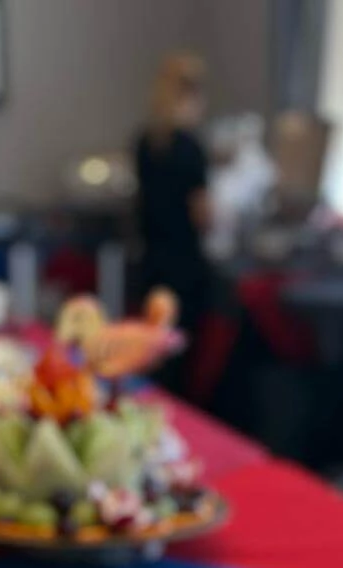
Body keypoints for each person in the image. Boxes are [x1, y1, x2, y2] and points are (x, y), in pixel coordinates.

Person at [134, 53, 213, 373]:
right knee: (178, 358)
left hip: (151, 262)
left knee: (152, 352)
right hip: (183, 266)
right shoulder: (191, 148)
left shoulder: (145, 142)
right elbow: (202, 216)